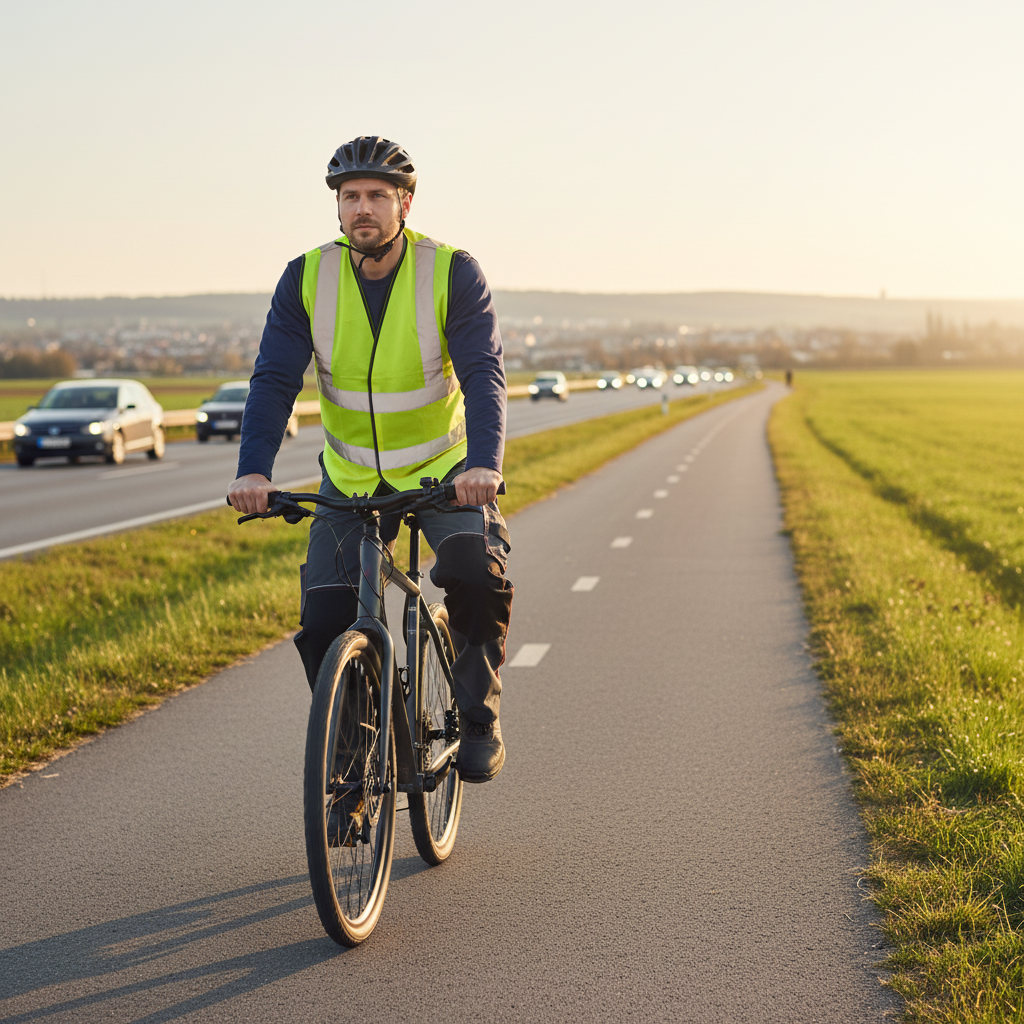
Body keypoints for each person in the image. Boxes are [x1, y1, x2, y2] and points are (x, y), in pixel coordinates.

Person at [227, 136, 512, 785]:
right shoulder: (307, 278)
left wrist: (483, 463)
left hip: (446, 475)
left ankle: (478, 714)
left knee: (474, 572)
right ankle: (356, 755)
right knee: (326, 614)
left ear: (404, 203)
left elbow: (482, 372)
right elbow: (273, 379)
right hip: (350, 480)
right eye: (349, 196)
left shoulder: (450, 271)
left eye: (377, 196)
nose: (362, 209)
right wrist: (253, 470)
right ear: (336, 207)